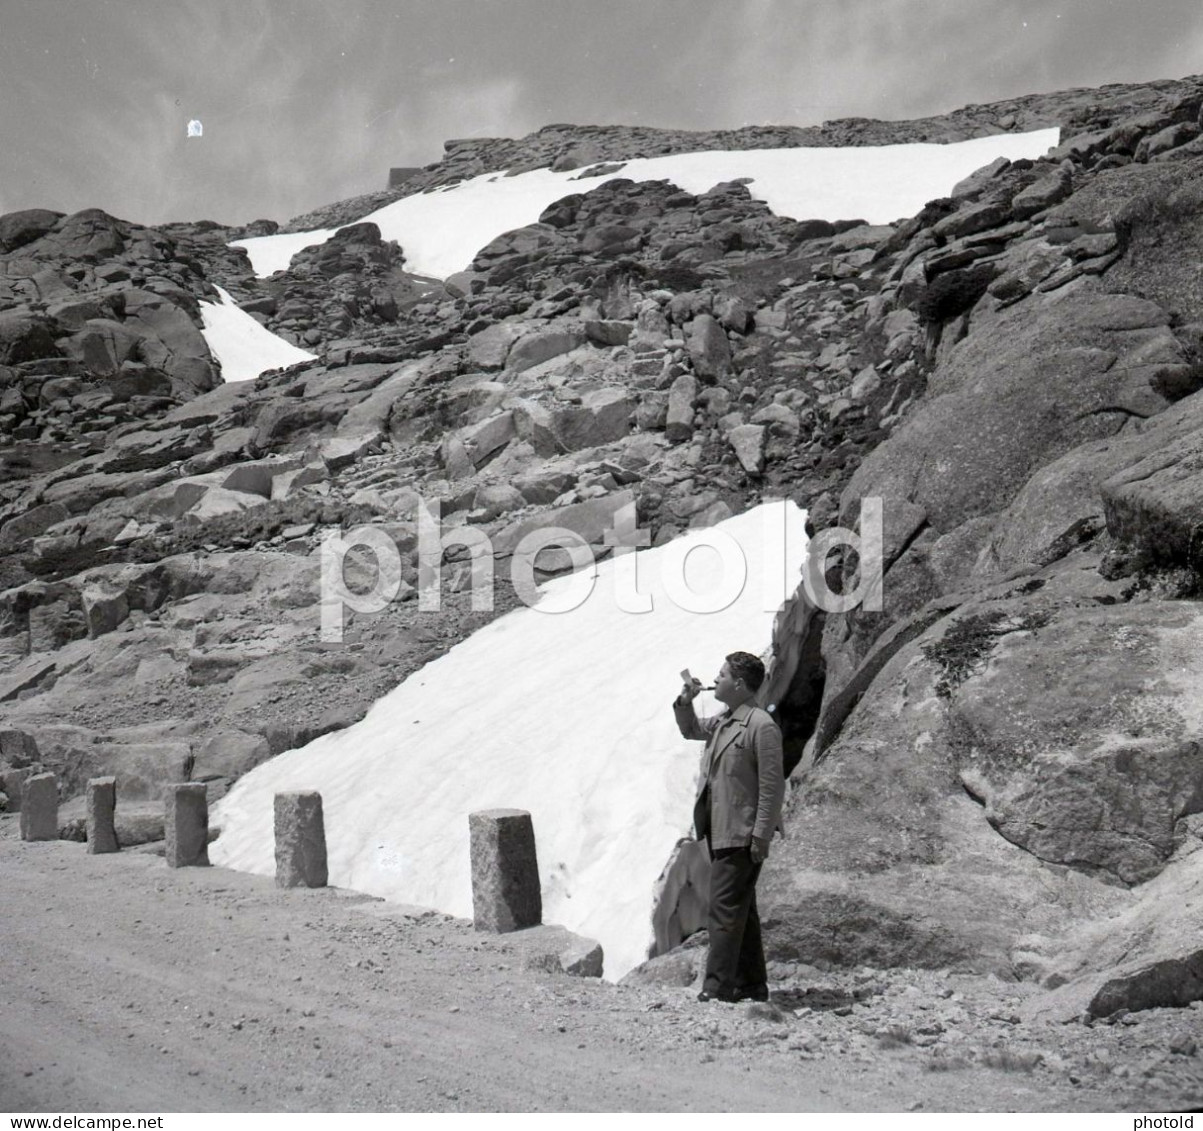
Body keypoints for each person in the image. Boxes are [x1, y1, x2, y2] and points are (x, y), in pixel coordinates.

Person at [673, 651, 784, 1004]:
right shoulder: (725, 721)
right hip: (719, 830)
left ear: (738, 683)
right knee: (741, 910)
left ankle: (718, 987)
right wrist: (685, 701)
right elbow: (690, 729)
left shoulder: (760, 726)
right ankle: (752, 985)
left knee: (722, 910)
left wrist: (761, 835)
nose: (715, 679)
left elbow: (771, 787)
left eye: (721, 675)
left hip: (741, 832)